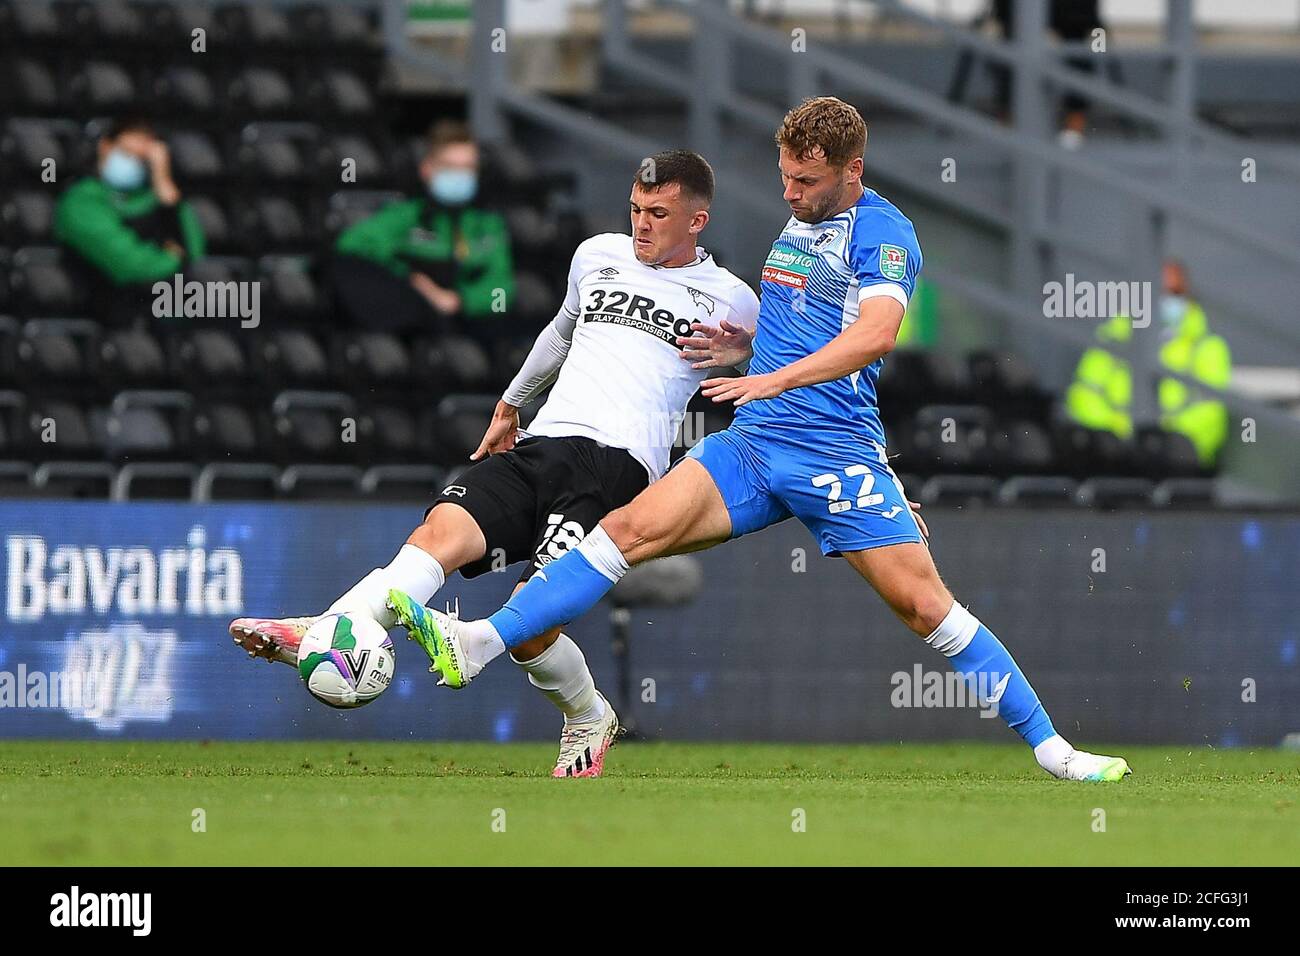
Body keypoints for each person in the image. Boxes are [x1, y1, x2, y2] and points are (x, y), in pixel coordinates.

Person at [390, 97, 1132, 784]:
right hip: (754, 442)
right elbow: (799, 325)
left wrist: (778, 381)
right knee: (624, 529)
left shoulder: (883, 233)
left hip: (832, 452)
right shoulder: (800, 219)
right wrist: (741, 347)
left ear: (853, 172)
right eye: (784, 176)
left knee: (924, 607)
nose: (790, 193)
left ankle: (1053, 749)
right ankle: (478, 643)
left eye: (805, 180)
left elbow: (875, 336)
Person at [230, 149, 759, 778]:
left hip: (616, 470)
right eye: (636, 209)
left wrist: (747, 351)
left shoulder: (732, 298)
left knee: (531, 620)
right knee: (436, 537)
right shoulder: (597, 255)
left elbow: (775, 373)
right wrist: (512, 402)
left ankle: (588, 715)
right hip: (542, 442)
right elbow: (562, 333)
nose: (641, 224)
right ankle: (331, 632)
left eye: (659, 214)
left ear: (697, 221)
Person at [331, 120, 514, 335]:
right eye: (450, 167)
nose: (460, 175)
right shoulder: (403, 217)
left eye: (468, 167)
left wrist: (458, 300)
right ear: (427, 169)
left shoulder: (488, 226)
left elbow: (502, 289)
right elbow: (351, 248)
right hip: (412, 327)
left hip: (470, 328)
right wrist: (413, 280)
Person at [1066, 259, 1231, 468]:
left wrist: (1159, 441)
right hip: (1112, 458)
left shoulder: (1208, 346)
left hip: (1176, 463)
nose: (1167, 299)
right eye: (1159, 291)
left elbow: (1211, 414)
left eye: (1175, 293)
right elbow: (1083, 395)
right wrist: (1121, 437)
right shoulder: (1111, 338)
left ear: (1188, 295)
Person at [53, 117, 205, 324]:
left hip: (165, 321)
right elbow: (130, 266)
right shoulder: (81, 201)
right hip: (107, 323)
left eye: (142, 159)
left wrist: (165, 189)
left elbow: (195, 254)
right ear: (105, 147)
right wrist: (176, 258)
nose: (132, 163)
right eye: (126, 153)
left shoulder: (156, 198)